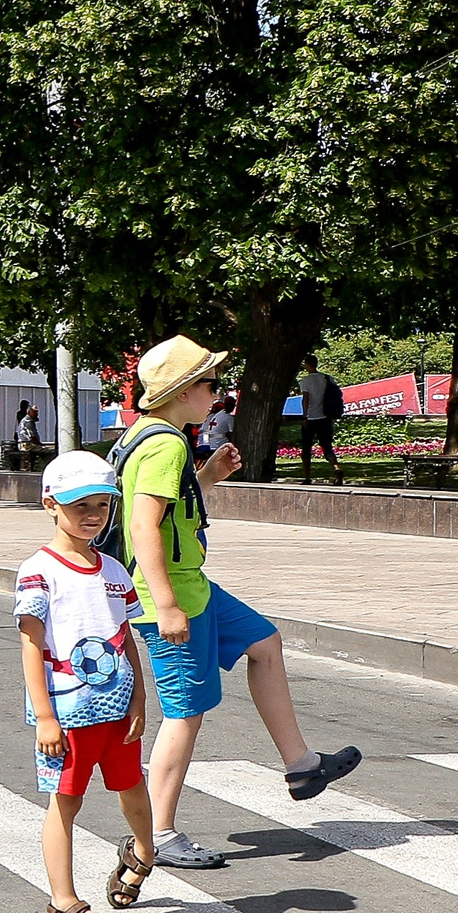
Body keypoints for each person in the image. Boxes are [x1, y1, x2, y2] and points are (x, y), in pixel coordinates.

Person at [117, 337, 360, 873]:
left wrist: (206, 479)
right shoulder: (166, 445)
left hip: (191, 586)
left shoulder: (153, 437)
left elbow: (166, 507)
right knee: (184, 714)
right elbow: (143, 525)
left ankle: (301, 765)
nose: (216, 391)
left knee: (263, 641)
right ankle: (154, 835)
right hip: (175, 594)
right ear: (182, 393)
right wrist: (167, 604)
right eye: (208, 384)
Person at [15, 452, 157, 913]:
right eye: (80, 505)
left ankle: (143, 851)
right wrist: (46, 718)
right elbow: (32, 645)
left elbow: (124, 636)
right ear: (50, 504)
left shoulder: (114, 568)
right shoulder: (39, 571)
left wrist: (139, 696)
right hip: (69, 714)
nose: (93, 515)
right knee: (66, 802)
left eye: (102, 504)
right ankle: (63, 902)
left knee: (132, 787)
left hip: (117, 710)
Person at [296, 355, 344, 483]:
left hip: (311, 418)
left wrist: (305, 416)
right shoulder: (326, 378)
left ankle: (307, 477)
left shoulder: (305, 381)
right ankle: (336, 468)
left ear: (307, 365)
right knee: (327, 447)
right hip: (325, 416)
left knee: (306, 449)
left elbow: (306, 399)